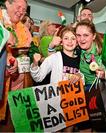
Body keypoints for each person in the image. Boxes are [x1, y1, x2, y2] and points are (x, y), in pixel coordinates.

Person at [30, 26, 82, 132]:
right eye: (66, 38)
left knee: (69, 130)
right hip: (55, 103)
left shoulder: (80, 60)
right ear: (61, 42)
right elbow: (38, 77)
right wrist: (35, 63)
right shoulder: (54, 58)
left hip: (72, 103)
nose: (70, 41)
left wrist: (80, 76)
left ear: (77, 42)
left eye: (73, 38)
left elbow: (84, 79)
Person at [0, 0, 28, 131]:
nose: (21, 11)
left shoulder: (21, 28)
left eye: (24, 9)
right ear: (7, 3)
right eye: (19, 7)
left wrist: (11, 57)